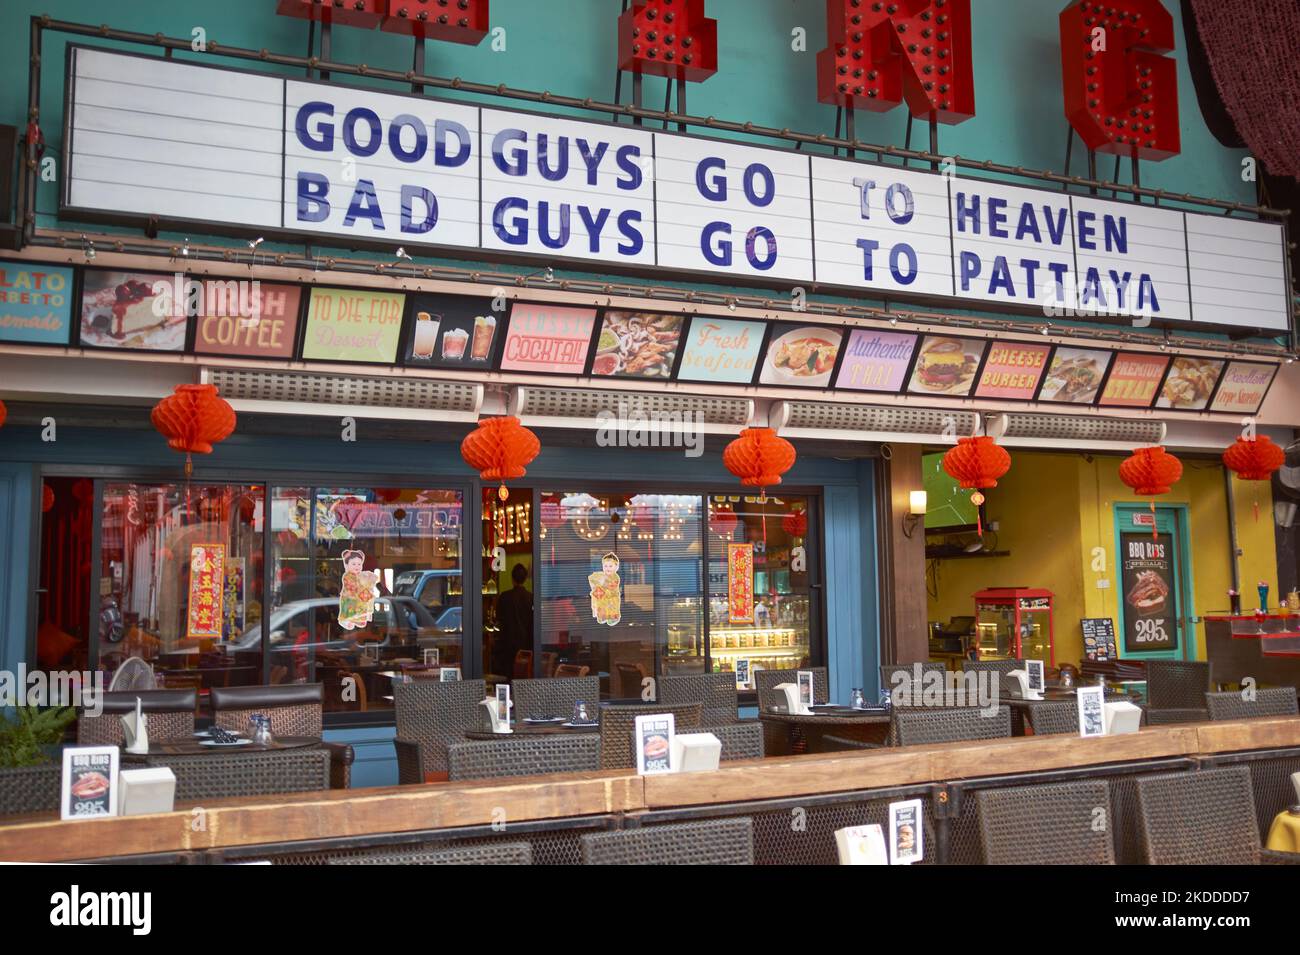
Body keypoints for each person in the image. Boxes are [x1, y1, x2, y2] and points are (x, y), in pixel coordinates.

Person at [494, 563, 533, 678]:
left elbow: (498, 619)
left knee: (508, 674)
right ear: (525, 579)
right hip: (526, 643)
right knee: (524, 673)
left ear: (512, 578)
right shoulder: (531, 597)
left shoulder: (504, 597)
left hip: (507, 643)